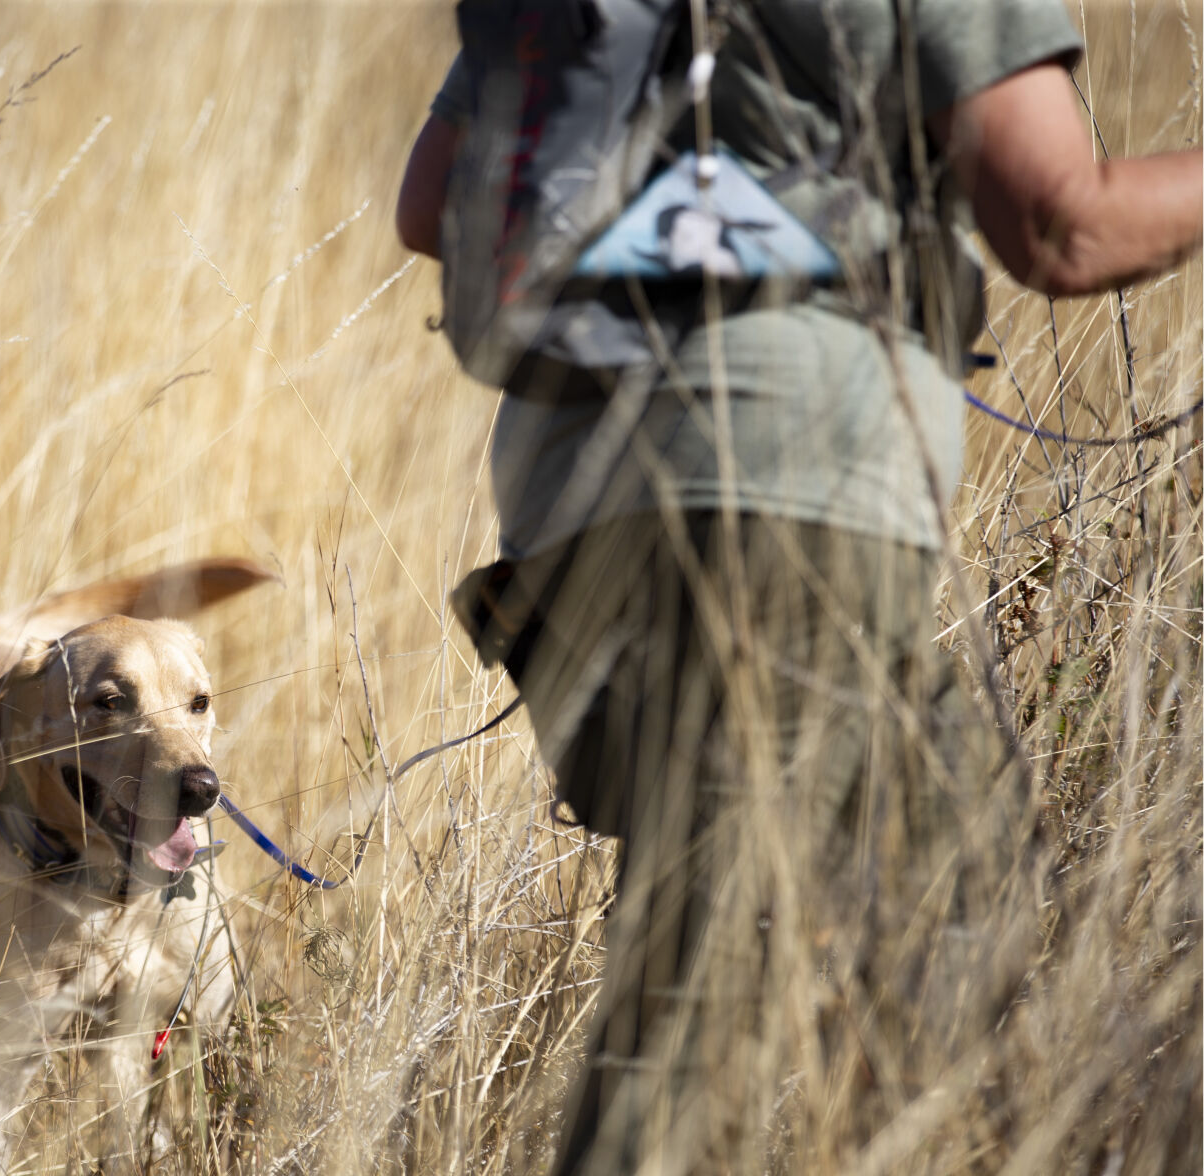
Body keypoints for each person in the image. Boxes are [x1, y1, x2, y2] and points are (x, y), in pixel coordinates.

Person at [396, 3, 1201, 1172]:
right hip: (771, 498)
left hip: (564, 501)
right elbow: (1058, 223)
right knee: (689, 1020)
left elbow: (433, 206)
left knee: (961, 891)